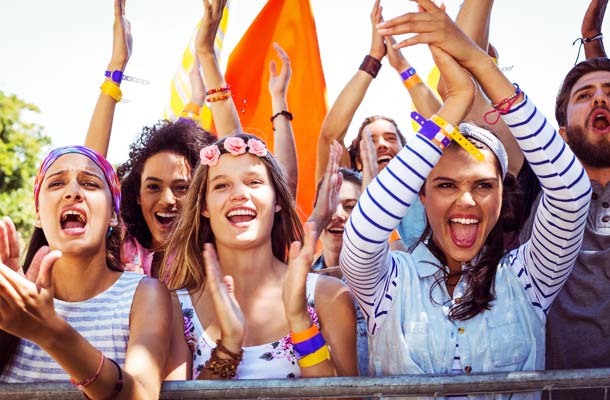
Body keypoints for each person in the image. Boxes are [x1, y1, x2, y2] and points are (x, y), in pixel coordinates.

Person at [340, 2, 591, 399]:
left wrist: (478, 61)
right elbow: (362, 237)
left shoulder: (529, 279)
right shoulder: (390, 283)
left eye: (482, 186)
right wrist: (457, 98)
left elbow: (572, 193)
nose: (466, 201)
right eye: (444, 186)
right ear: (420, 194)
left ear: (502, 194)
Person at [159, 132, 358, 380]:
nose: (240, 194)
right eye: (222, 185)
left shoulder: (328, 296)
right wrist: (228, 346)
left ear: (277, 201)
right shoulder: (174, 307)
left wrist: (299, 321)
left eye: (254, 182)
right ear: (205, 207)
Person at [0, 146, 173, 399]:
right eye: (57, 183)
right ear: (38, 213)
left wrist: (50, 332)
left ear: (114, 215)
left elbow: (143, 394)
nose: (73, 193)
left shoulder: (144, 294)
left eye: (90, 184)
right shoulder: (13, 299)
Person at [514, 56, 610, 400]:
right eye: (584, 95)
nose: (600, 99)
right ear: (563, 134)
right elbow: (482, 101)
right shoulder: (535, 185)